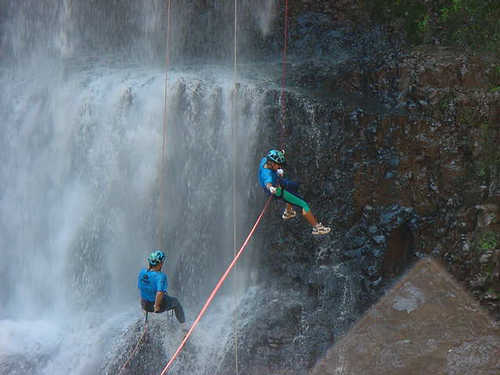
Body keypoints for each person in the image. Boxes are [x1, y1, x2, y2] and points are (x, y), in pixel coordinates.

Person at [258, 149, 331, 235]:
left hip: (279, 181)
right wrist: (271, 188)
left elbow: (273, 160)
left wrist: (280, 155)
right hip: (277, 190)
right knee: (304, 204)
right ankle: (317, 228)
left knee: (294, 186)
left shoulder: (265, 160)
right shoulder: (268, 175)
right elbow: (268, 183)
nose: (280, 167)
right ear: (272, 164)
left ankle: (288, 212)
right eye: (279, 166)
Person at [137, 250, 187, 330]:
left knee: (151, 292)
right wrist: (156, 306)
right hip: (156, 306)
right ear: (160, 264)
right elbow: (159, 293)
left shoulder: (142, 273)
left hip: (144, 304)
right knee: (176, 303)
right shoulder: (160, 276)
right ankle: (184, 327)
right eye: (162, 262)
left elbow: (140, 287)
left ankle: (145, 321)